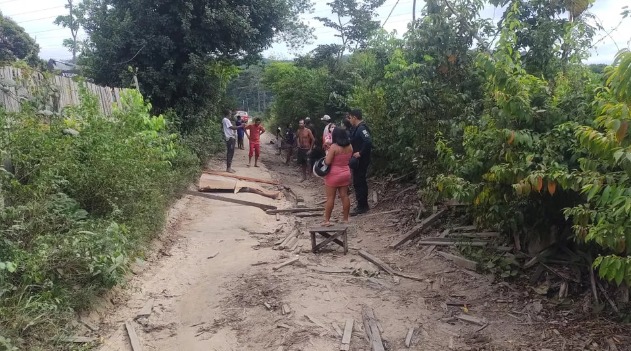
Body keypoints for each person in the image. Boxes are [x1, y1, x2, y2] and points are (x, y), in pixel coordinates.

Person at [322, 127, 353, 226]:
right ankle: (346, 219)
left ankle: (327, 221)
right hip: (345, 173)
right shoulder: (350, 146)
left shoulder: (334, 147)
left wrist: (328, 151)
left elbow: (328, 161)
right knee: (344, 196)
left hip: (334, 174)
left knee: (330, 198)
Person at [348, 109, 372, 215]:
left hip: (361, 160)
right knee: (358, 181)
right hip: (358, 161)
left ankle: (362, 206)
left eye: (350, 118)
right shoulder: (357, 128)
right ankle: (361, 204)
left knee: (360, 181)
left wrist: (360, 153)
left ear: (354, 117)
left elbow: (368, 141)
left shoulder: (362, 128)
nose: (349, 120)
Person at [221, 109, 243, 173]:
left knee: (231, 152)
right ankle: (228, 168)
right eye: (230, 113)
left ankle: (229, 167)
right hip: (230, 138)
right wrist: (240, 126)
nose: (231, 114)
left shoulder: (226, 120)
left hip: (231, 137)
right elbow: (232, 127)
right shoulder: (226, 120)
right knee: (230, 153)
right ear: (228, 114)